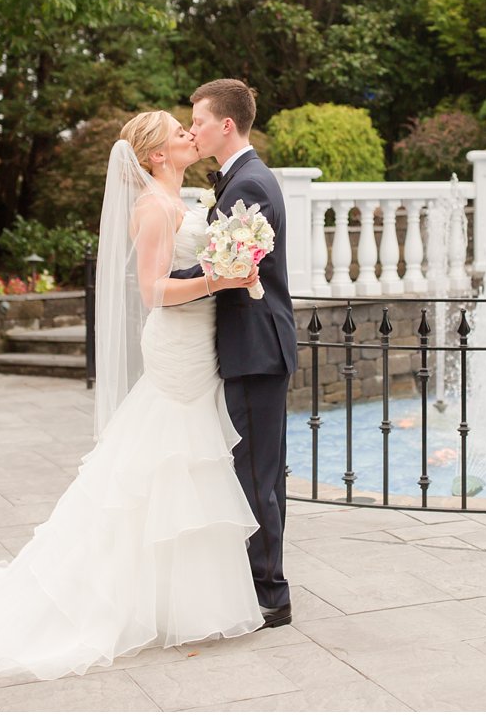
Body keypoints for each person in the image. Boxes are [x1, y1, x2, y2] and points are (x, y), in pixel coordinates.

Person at [0, 110, 266, 682]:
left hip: (199, 342)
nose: (191, 135)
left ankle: (174, 597)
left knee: (180, 460)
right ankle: (118, 594)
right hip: (176, 345)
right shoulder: (155, 208)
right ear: (156, 156)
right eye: (178, 132)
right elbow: (154, 292)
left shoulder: (186, 198)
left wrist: (228, 266)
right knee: (164, 456)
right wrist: (222, 278)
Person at [171, 79, 297, 628]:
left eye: (197, 121)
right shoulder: (242, 180)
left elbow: (227, 270)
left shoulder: (251, 185)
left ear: (226, 125)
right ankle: (263, 582)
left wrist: (163, 282)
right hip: (252, 346)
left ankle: (270, 592)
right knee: (258, 471)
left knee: (256, 476)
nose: (192, 129)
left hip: (256, 348)